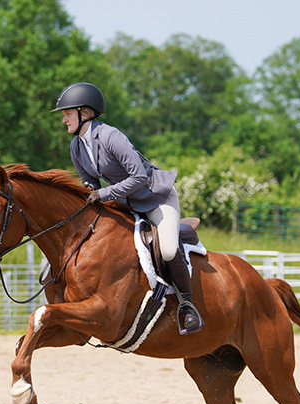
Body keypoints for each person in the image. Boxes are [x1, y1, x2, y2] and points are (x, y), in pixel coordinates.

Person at [52, 82, 204, 335]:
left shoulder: (111, 136)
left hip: (156, 198)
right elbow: (89, 183)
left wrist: (103, 194)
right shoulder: (76, 147)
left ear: (85, 113)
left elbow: (139, 176)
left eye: (67, 113)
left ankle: (188, 306)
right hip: (127, 203)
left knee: (167, 249)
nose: (64, 119)